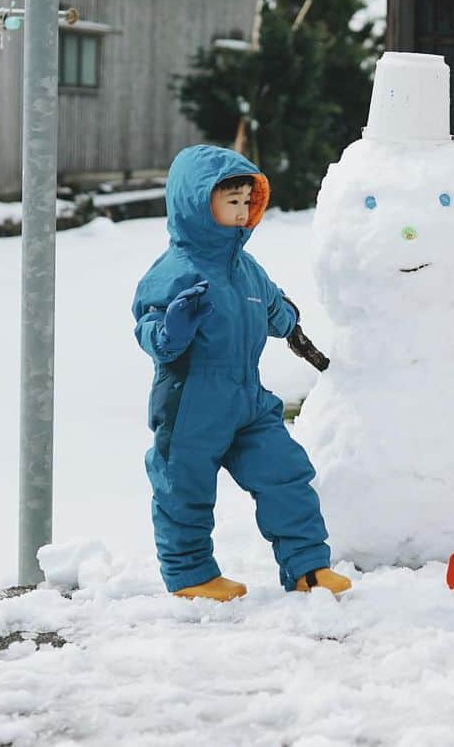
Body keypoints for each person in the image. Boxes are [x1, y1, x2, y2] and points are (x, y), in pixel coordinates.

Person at [132, 144, 351, 601]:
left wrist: (287, 318)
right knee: (184, 488)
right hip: (192, 400)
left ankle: (308, 567)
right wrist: (171, 330)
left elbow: (270, 306)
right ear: (196, 205)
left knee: (285, 473)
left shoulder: (246, 269)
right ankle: (191, 574)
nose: (241, 210)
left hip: (247, 399)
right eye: (230, 201)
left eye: (247, 201)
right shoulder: (174, 272)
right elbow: (150, 331)